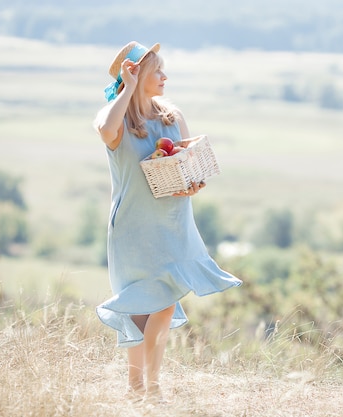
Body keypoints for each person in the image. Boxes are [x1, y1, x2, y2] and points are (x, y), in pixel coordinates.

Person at [93, 41, 242, 400]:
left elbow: (186, 165)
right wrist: (126, 91)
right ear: (137, 74)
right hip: (133, 227)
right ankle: (135, 388)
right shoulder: (114, 118)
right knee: (137, 307)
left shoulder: (171, 117)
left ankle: (153, 387)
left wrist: (192, 184)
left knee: (164, 303)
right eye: (156, 70)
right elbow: (104, 130)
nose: (164, 76)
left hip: (173, 224)